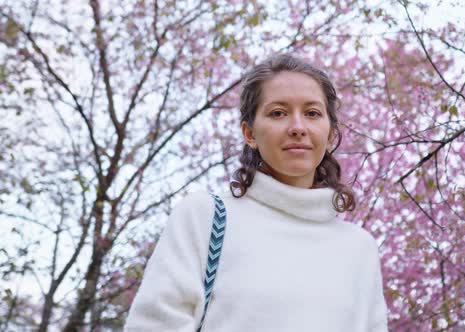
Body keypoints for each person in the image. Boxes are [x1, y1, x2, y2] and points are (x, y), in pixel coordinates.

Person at [124, 54, 388, 331]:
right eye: (278, 113)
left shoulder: (360, 249)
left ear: (331, 133)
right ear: (249, 133)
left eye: (312, 113)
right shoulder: (206, 217)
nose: (297, 127)